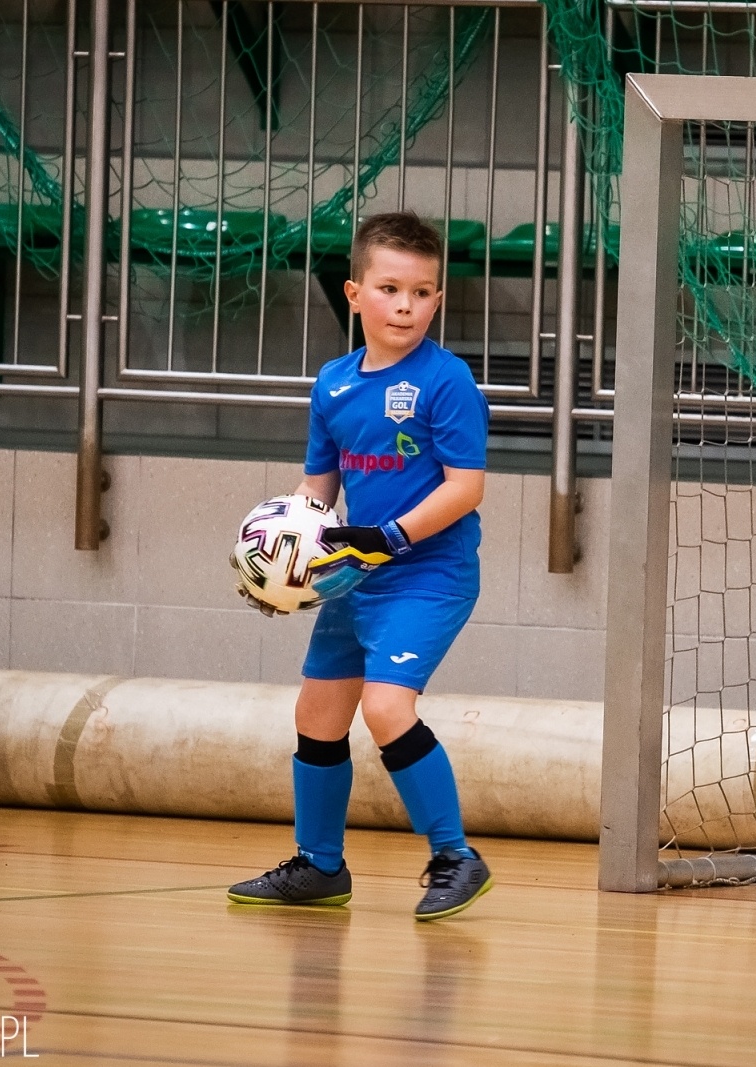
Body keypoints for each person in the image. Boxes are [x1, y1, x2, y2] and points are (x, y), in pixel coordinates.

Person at [228, 211, 494, 921]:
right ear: (354, 293)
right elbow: (318, 490)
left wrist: (385, 539)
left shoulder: (447, 381)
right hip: (359, 576)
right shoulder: (335, 384)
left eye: (422, 291)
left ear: (438, 299)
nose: (406, 305)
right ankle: (319, 866)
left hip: (428, 576)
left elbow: (465, 487)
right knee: (317, 714)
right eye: (390, 288)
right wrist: (284, 564)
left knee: (384, 706)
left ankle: (455, 855)